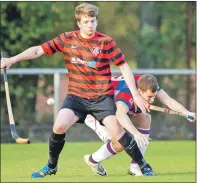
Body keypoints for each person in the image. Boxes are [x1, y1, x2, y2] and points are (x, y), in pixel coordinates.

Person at [1, 3, 155, 178]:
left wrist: (135, 94)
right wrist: (12, 60)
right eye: (86, 21)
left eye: (93, 21)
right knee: (59, 125)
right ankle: (51, 166)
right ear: (79, 23)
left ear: (97, 21)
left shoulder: (106, 42)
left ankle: (143, 165)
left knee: (118, 133)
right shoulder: (67, 39)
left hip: (102, 98)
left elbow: (124, 67)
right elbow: (38, 50)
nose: (90, 25)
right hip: (76, 97)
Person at [84, 74, 196, 176]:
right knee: (120, 143)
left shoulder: (145, 83)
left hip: (113, 108)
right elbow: (120, 115)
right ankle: (92, 160)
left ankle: (135, 166)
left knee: (145, 118)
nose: (152, 100)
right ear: (139, 92)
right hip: (94, 110)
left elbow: (168, 101)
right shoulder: (126, 94)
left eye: (154, 96)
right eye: (149, 97)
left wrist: (186, 112)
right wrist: (136, 134)